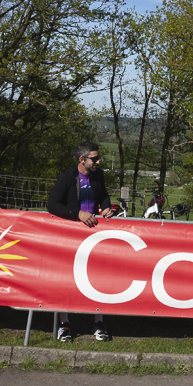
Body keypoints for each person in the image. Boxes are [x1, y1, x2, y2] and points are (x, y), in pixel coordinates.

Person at [48, 142, 114, 342]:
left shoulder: (98, 175)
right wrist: (78, 214)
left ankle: (98, 322)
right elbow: (52, 205)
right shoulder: (68, 176)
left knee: (97, 279)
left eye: (98, 158)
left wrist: (107, 208)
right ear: (81, 159)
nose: (98, 161)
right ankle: (64, 324)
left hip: (93, 236)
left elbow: (103, 196)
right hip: (69, 237)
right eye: (94, 158)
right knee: (65, 280)